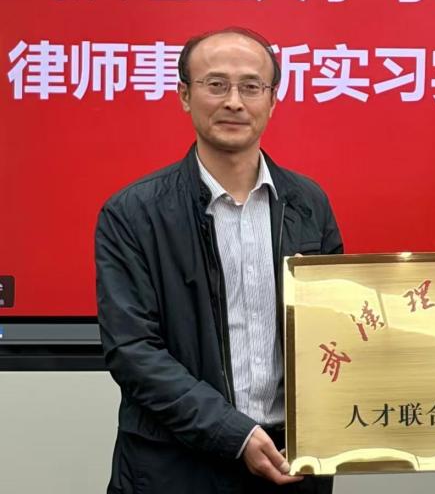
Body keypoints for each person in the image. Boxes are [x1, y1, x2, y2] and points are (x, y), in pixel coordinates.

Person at [95, 28, 342, 493]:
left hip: (291, 462)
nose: (234, 101)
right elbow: (133, 351)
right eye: (216, 85)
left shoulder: (309, 204)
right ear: (185, 96)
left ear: (272, 100)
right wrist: (235, 434)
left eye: (251, 86)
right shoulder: (132, 213)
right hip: (176, 468)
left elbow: (333, 331)